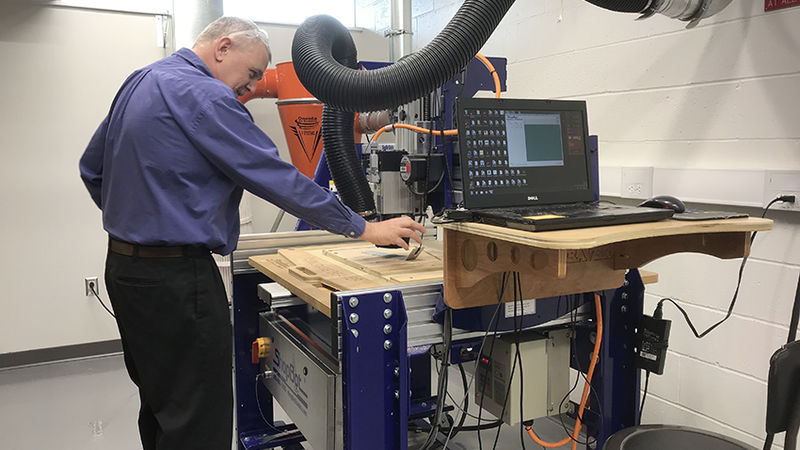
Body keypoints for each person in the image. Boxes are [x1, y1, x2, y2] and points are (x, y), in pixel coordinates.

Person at [79, 16, 424, 450]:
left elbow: (92, 168)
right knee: (197, 421)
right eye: (253, 73)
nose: (251, 87)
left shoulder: (140, 80)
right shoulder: (206, 96)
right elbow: (279, 179)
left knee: (161, 405)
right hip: (178, 282)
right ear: (223, 47)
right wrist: (365, 227)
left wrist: (140, 220)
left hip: (125, 272)